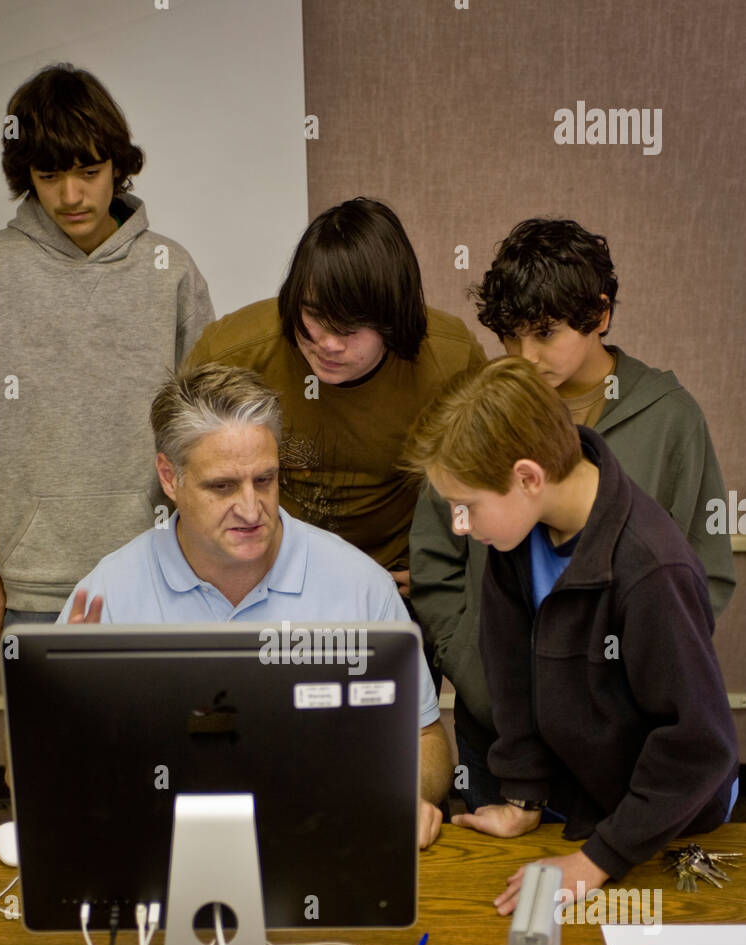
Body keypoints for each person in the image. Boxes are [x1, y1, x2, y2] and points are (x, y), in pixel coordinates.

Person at [410, 217, 735, 808]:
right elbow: (439, 554)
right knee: (500, 894)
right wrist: (479, 673)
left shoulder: (669, 417)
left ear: (601, 314)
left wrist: (620, 685)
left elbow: (701, 574)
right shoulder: (483, 408)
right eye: (510, 337)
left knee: (612, 889)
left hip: (620, 743)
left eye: (545, 333)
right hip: (503, 739)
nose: (525, 357)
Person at [58, 363, 453, 849]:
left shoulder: (361, 587)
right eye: (222, 486)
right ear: (169, 476)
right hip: (161, 850)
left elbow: (427, 742)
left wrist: (402, 797)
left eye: (264, 480)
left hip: (324, 845)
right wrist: (66, 711)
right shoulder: (106, 596)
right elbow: (29, 772)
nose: (251, 509)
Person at [403, 357, 739, 910]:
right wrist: (523, 796)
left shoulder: (652, 569)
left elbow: (698, 744)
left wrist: (597, 860)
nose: (460, 526)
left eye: (466, 507)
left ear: (528, 477)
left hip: (670, 826)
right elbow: (511, 673)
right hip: (578, 806)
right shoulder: (517, 538)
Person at [0, 62, 214, 648]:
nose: (71, 195)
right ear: (26, 176)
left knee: (168, 741)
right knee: (49, 744)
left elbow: (207, 427)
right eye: (50, 174)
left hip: (162, 574)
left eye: (89, 171)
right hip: (32, 588)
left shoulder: (172, 271)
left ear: (119, 165)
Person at [185, 197, 485, 598]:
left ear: (391, 319)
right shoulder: (231, 354)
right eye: (314, 318)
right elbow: (182, 471)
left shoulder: (451, 360)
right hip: (259, 576)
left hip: (392, 581)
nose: (327, 344)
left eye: (349, 330)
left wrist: (444, 569)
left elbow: (486, 481)